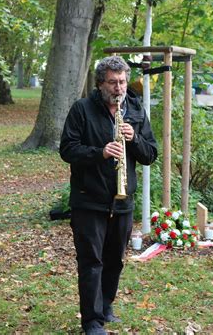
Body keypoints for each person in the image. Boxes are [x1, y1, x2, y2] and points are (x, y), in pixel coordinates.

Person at [60, 56, 158, 335]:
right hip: (88, 199)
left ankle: (105, 306)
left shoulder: (135, 109)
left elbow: (150, 154)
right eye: (113, 82)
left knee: (115, 259)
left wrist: (134, 139)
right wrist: (100, 152)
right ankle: (92, 321)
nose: (119, 88)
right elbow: (67, 149)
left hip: (122, 201)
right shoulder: (82, 109)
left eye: (123, 82)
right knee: (92, 261)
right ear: (100, 83)